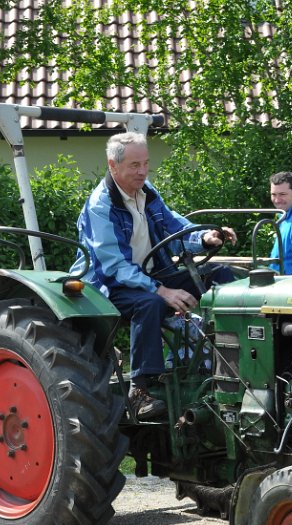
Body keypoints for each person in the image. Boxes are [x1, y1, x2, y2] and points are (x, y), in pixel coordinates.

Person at [71, 132, 237, 420]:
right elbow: (115, 266)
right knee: (150, 304)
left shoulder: (146, 191)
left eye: (146, 163)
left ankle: (235, 361)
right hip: (109, 285)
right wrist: (162, 290)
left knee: (219, 276)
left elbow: (174, 228)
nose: (143, 171)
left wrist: (205, 237)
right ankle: (140, 390)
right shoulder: (101, 205)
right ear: (113, 165)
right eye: (135, 165)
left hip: (152, 274)